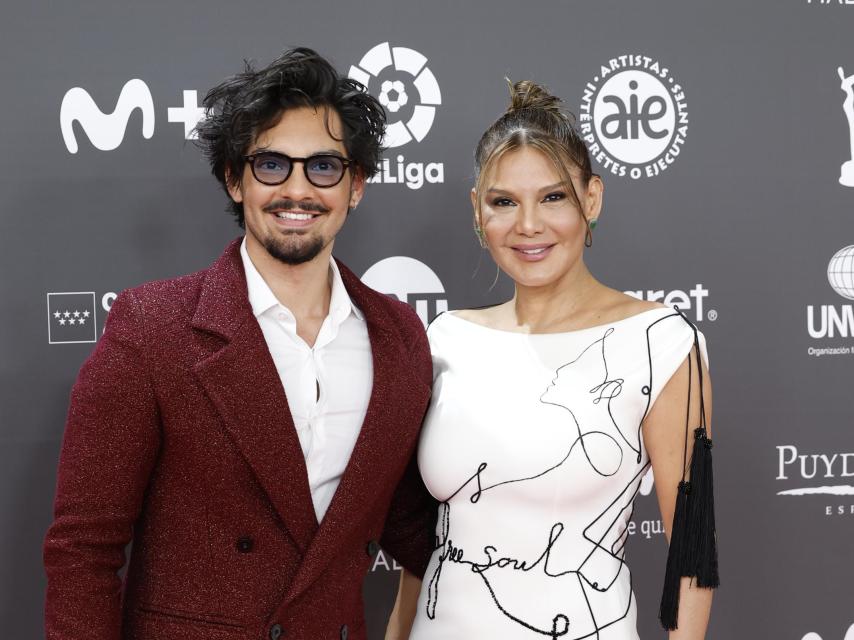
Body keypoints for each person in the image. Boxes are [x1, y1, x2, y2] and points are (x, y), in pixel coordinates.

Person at [43, 47, 436, 640]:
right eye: (272, 165)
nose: (298, 190)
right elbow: (83, 552)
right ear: (234, 179)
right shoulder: (153, 328)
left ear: (356, 185)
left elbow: (413, 525)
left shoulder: (400, 337)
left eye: (324, 167)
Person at [394, 81, 719, 639]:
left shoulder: (661, 343)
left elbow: (692, 553)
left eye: (553, 197)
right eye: (504, 202)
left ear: (591, 198)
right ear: (477, 210)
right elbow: (423, 545)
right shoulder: (443, 339)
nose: (528, 226)